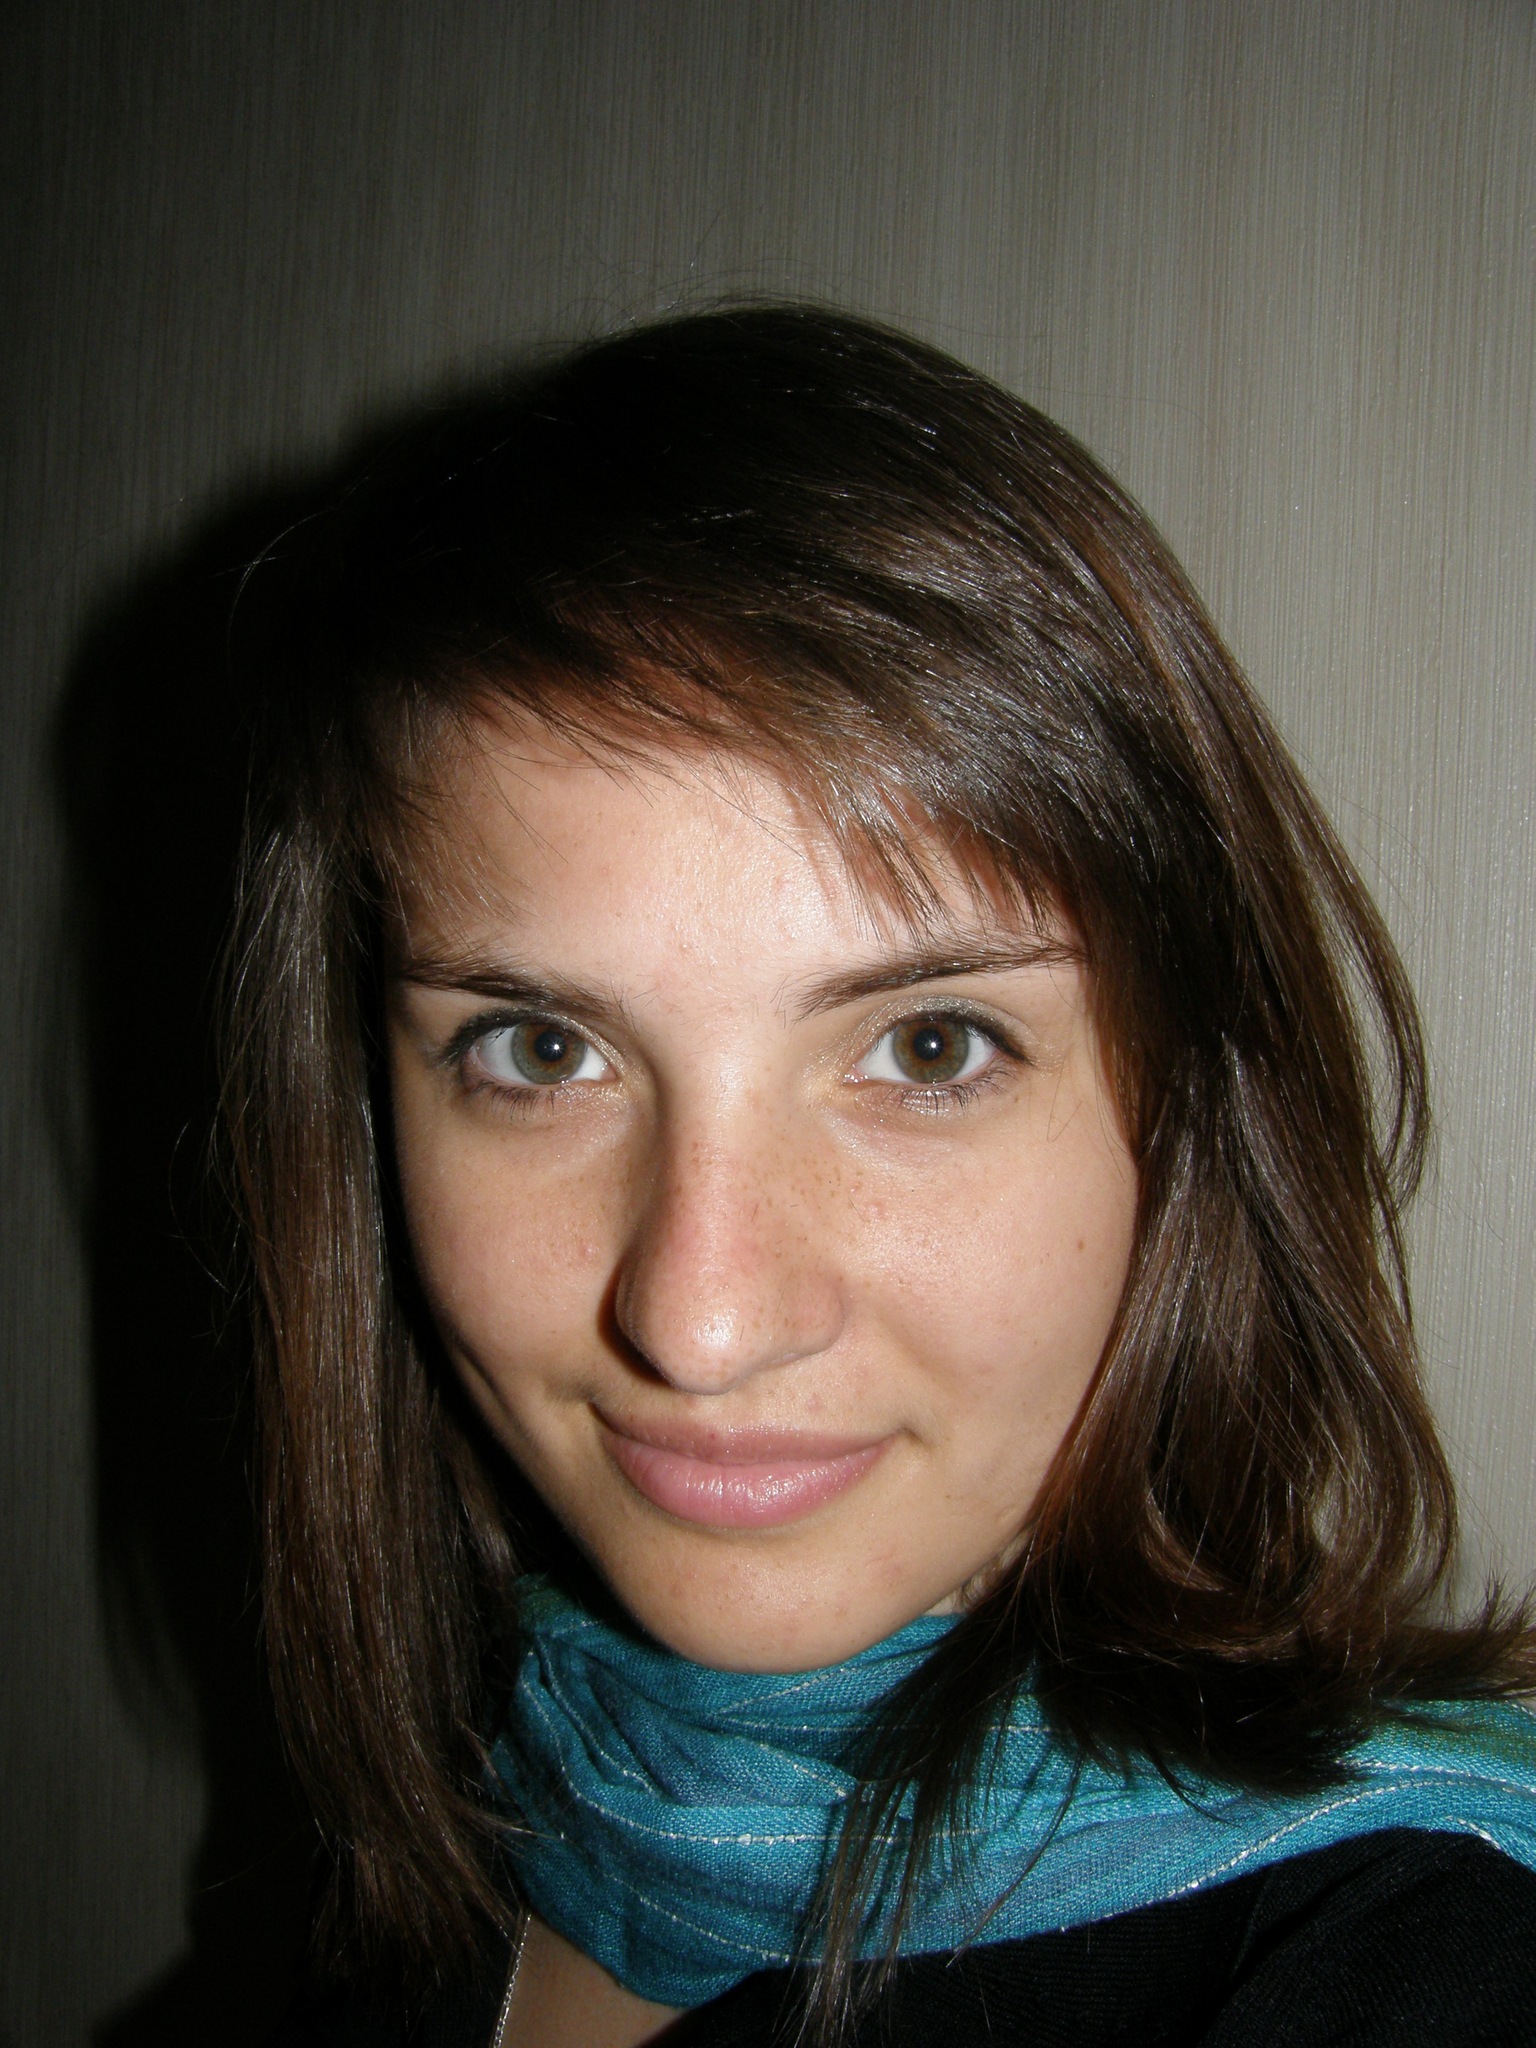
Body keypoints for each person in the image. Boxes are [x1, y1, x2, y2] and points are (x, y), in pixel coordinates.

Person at [229, 305, 1536, 2047]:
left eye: (926, 1048)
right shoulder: (462, 1817)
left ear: (1187, 1114)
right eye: (540, 1051)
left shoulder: (1408, 1963)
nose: (700, 1320)